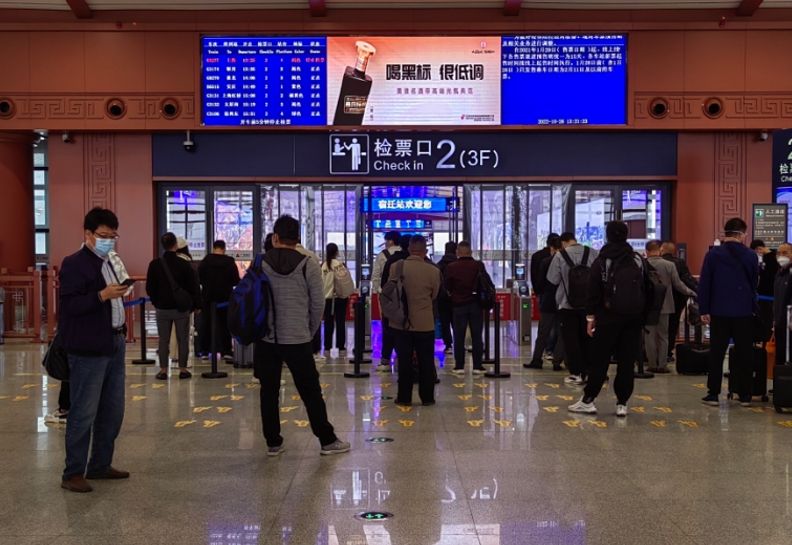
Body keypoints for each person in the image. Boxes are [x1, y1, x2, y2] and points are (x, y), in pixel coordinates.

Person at [254, 215, 349, 456]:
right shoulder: (308, 263)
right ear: (297, 238)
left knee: (268, 390)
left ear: (275, 237)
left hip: (266, 338)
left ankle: (273, 442)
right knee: (310, 390)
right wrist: (309, 331)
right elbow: (318, 303)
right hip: (298, 337)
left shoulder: (260, 263)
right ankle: (327, 440)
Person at [58, 207, 130, 493]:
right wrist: (102, 295)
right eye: (103, 235)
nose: (108, 241)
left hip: (115, 342)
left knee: (113, 410)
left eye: (113, 236)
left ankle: (100, 464)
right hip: (88, 347)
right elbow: (70, 306)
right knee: (84, 411)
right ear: (88, 234)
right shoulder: (74, 263)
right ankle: (73, 472)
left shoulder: (111, 261)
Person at [568, 221, 644, 417]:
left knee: (599, 360)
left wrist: (590, 317)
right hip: (633, 318)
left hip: (607, 318)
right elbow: (646, 288)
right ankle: (622, 403)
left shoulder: (602, 260)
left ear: (608, 236)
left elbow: (593, 291)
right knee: (627, 361)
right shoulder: (636, 259)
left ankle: (588, 400)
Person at [698, 218, 759, 407]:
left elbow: (705, 282)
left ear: (726, 232)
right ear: (742, 233)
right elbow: (753, 282)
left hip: (719, 310)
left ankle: (713, 394)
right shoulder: (751, 255)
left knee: (717, 353)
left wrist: (704, 309)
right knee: (745, 352)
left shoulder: (713, 254)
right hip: (744, 310)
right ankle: (745, 395)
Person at [388, 235, 441, 405]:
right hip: (425, 323)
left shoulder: (396, 267)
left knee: (404, 361)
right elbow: (434, 295)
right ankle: (427, 397)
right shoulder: (433, 271)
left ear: (409, 249)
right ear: (425, 251)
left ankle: (404, 397)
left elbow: (391, 292)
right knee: (426, 361)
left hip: (401, 322)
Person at [146, 232, 201, 380]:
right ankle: (183, 369)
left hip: (162, 308)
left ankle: (163, 370)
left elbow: (150, 288)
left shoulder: (155, 264)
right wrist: (195, 304)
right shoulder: (184, 264)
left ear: (163, 245)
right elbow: (193, 287)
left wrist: (156, 302)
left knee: (163, 340)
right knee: (183, 339)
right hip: (181, 309)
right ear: (176, 245)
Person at [546, 232, 598, 385]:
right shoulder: (593, 253)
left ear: (563, 242)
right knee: (589, 338)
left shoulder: (559, 256)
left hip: (567, 305)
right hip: (589, 305)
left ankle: (576, 373)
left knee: (571, 340)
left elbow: (553, 280)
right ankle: (591, 371)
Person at [645, 240, 697, 373]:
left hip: (648, 307)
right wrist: (692, 292)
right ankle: (662, 365)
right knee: (663, 336)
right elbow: (678, 285)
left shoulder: (643, 265)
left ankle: (651, 364)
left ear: (647, 251)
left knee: (649, 336)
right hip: (665, 305)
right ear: (660, 250)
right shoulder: (669, 265)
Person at [444, 241, 489, 376]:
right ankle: (477, 366)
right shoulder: (478, 265)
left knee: (459, 336)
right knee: (477, 335)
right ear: (470, 252)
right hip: (476, 305)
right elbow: (485, 283)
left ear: (458, 252)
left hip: (458, 305)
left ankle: (459, 366)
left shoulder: (451, 267)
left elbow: (447, 286)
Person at [526, 235, 564, 370]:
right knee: (562, 332)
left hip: (548, 300)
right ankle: (557, 361)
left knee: (543, 332)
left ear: (551, 247)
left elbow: (539, 281)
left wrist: (540, 294)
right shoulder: (567, 261)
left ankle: (537, 360)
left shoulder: (545, 261)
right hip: (564, 302)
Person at [198, 240, 241, 360]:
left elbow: (199, 278)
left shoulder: (205, 262)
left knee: (206, 324)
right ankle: (226, 350)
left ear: (213, 248)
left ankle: (205, 351)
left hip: (208, 297)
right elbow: (235, 280)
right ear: (224, 249)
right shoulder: (230, 262)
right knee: (225, 325)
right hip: (225, 298)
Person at [660, 241, 699, 360]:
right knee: (672, 326)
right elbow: (687, 279)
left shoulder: (657, 262)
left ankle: (655, 353)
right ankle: (668, 352)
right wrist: (697, 291)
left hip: (659, 300)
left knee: (658, 327)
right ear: (674, 252)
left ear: (662, 249)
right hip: (677, 299)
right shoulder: (679, 263)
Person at [378, 234, 410, 371]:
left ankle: (385, 360)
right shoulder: (418, 261)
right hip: (412, 303)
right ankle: (408, 360)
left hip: (393, 303)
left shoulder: (390, 260)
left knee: (389, 330)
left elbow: (383, 283)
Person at [321, 242, 351, 356]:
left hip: (327, 298)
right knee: (340, 322)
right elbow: (346, 282)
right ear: (337, 252)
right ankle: (341, 347)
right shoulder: (340, 265)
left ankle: (327, 348)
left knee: (328, 323)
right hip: (340, 298)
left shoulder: (323, 266)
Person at [752, 239, 778, 344]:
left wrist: (767, 255)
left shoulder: (771, 258)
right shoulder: (758, 260)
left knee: (768, 323)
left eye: (759, 249)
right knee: (761, 323)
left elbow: (770, 275)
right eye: (756, 250)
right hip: (760, 297)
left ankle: (766, 343)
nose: (758, 252)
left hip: (769, 297)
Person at [436, 241, 458, 354]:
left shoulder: (439, 265)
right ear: (456, 251)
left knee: (445, 323)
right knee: (457, 323)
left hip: (442, 298)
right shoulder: (459, 265)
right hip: (457, 298)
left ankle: (448, 345)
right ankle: (459, 344)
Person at [773, 243, 792, 365]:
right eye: (778, 253)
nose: (781, 256)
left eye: (785, 253)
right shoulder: (779, 273)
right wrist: (775, 320)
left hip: (790, 323)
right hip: (780, 323)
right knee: (780, 356)